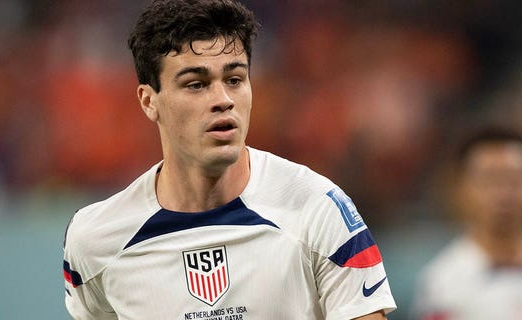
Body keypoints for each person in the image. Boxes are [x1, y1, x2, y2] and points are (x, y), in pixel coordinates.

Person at [62, 0, 396, 319]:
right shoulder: (95, 241)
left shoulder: (318, 211)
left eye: (234, 79)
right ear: (149, 101)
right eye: (196, 84)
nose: (223, 100)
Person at [412, 126, 522, 319]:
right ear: (461, 188)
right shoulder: (443, 283)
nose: (504, 194)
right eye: (490, 180)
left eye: (513, 180)